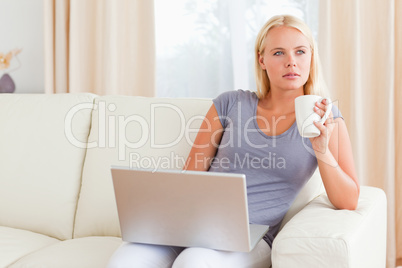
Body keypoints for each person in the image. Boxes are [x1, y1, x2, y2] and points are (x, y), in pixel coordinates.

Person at [108, 14, 360, 268]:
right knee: (124, 262)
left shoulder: (327, 119)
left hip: (249, 238)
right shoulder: (230, 103)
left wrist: (322, 150)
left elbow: (348, 200)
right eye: (279, 53)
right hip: (194, 223)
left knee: (193, 263)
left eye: (300, 52)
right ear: (262, 59)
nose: (291, 62)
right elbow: (190, 176)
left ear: (311, 57)